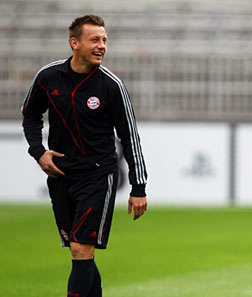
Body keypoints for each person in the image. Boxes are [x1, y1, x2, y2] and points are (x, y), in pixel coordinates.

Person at [21, 15, 148, 297]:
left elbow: (130, 137)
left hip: (98, 175)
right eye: (95, 40)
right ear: (74, 43)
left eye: (104, 40)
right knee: (80, 253)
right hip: (61, 175)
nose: (101, 45)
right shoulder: (48, 77)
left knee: (81, 247)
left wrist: (139, 186)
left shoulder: (111, 86)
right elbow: (30, 116)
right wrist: (39, 153)